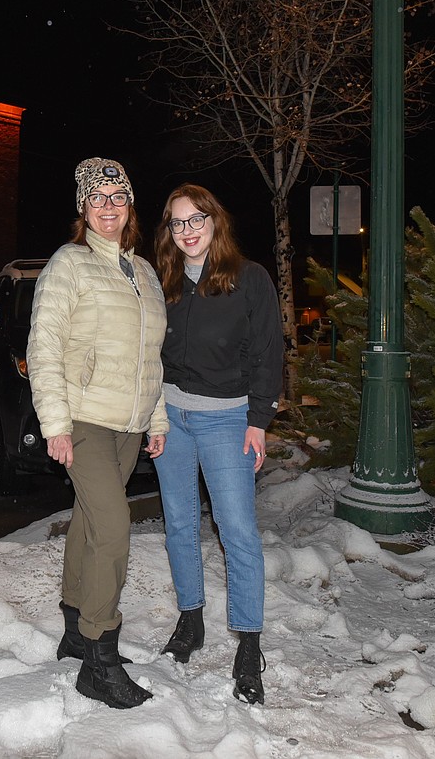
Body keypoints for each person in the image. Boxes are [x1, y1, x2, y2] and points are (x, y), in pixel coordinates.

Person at [26, 157, 169, 709]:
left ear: (129, 206)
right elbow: (45, 346)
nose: (108, 206)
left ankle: (72, 630)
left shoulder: (145, 271)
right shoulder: (70, 263)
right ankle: (100, 659)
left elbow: (151, 357)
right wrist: (56, 424)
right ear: (83, 209)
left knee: (90, 522)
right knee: (114, 528)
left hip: (128, 424)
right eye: (97, 197)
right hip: (84, 417)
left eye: (117, 196)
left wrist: (155, 418)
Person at [151, 183, 283, 705]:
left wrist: (260, 418)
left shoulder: (249, 279)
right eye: (177, 222)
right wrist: (150, 415)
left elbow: (268, 352)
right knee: (180, 522)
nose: (187, 230)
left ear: (214, 221)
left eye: (196, 219)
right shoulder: (162, 280)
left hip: (228, 420)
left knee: (238, 532)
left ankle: (248, 642)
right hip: (170, 418)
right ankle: (191, 620)